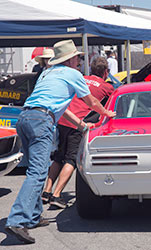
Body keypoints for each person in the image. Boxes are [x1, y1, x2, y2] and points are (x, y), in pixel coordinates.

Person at [4, 40, 116, 244]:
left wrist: (82, 125)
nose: (80, 60)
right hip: (41, 121)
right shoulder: (73, 74)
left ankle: (34, 215)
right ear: (71, 59)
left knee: (36, 169)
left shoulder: (48, 73)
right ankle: (18, 220)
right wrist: (106, 112)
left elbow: (62, 108)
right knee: (38, 172)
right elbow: (90, 101)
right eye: (78, 57)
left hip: (25, 118)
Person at [41, 56, 115, 209]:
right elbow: (113, 100)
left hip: (63, 118)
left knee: (58, 157)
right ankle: (57, 195)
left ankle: (46, 192)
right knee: (71, 159)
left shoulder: (81, 78)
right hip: (78, 123)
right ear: (106, 72)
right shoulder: (106, 87)